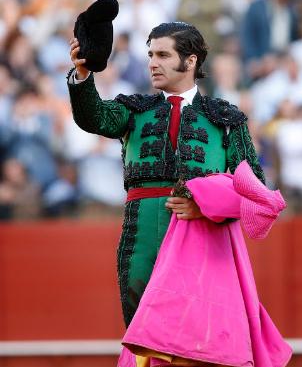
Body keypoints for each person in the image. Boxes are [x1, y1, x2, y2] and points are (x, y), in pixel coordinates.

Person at [67, 21, 265, 331]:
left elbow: (254, 188)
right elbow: (94, 117)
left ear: (190, 61)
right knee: (143, 332)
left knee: (196, 336)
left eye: (163, 55)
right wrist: (82, 75)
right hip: (141, 236)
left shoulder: (226, 118)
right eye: (150, 55)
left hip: (202, 235)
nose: (152, 63)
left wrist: (207, 208)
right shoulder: (132, 109)